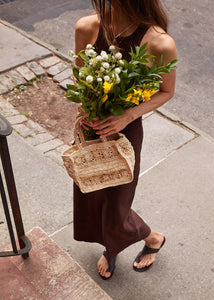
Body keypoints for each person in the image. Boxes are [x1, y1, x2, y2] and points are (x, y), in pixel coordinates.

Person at [73, 0, 177, 279]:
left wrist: (126, 117)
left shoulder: (159, 43)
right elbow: (79, 76)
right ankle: (130, 242)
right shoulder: (88, 26)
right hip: (91, 128)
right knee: (92, 195)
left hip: (125, 133)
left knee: (117, 203)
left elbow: (166, 91)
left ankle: (145, 240)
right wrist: (86, 109)